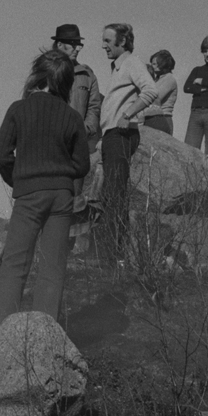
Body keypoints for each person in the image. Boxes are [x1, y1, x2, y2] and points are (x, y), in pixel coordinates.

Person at [0, 50, 90, 337]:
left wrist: (18, 180)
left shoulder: (18, 109)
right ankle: (44, 339)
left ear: (37, 75)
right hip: (61, 197)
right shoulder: (71, 116)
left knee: (15, 265)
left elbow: (1, 154)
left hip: (28, 196)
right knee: (52, 268)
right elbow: (82, 164)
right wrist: (60, 175)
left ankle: (1, 337)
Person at [96, 23, 159, 266]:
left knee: (114, 194)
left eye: (108, 41)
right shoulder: (119, 67)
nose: (104, 45)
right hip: (112, 135)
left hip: (121, 135)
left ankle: (113, 254)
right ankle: (112, 252)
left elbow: (150, 91)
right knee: (111, 192)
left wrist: (128, 114)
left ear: (122, 42)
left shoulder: (132, 62)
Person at [51, 24, 101, 151]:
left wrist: (83, 130)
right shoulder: (44, 72)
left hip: (77, 144)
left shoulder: (88, 76)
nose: (77, 49)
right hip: (48, 142)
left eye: (79, 45)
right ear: (59, 45)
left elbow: (94, 108)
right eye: (73, 45)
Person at [142, 50, 178, 136]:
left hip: (163, 118)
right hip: (153, 117)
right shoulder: (158, 79)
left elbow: (153, 97)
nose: (152, 66)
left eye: (154, 64)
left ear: (162, 64)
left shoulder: (169, 78)